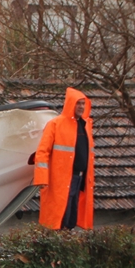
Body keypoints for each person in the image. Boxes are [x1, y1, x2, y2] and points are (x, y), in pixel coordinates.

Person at [33, 87, 95, 230]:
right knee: (59, 218)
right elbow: (42, 152)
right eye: (78, 103)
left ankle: (65, 241)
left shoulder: (85, 126)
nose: (81, 107)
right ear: (70, 104)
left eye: (83, 103)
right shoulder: (55, 124)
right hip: (60, 180)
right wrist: (42, 178)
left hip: (79, 180)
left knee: (71, 217)